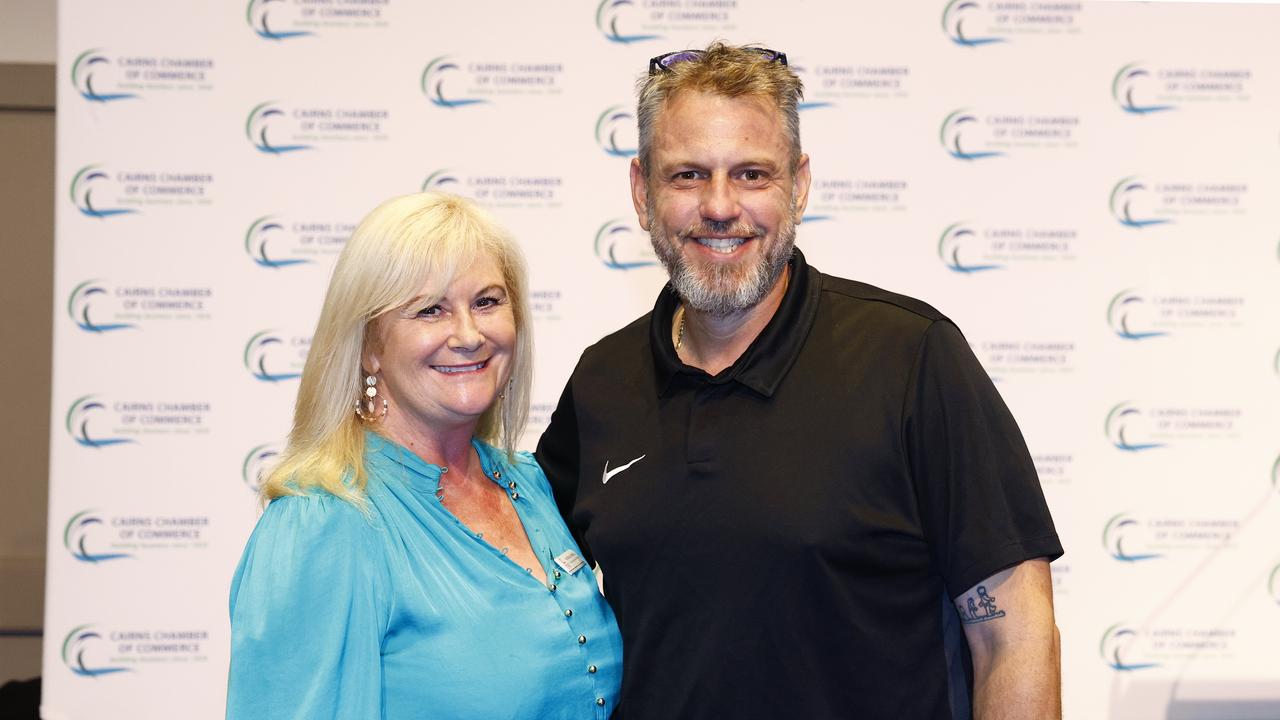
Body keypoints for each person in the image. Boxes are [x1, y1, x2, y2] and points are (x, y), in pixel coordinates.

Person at [536, 43, 1063, 719]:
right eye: (688, 175)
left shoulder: (911, 360)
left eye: (753, 174)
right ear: (642, 193)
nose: (720, 206)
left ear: (800, 186)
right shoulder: (601, 382)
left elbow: (1014, 633)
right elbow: (523, 607)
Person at [226, 192, 622, 719]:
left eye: (486, 301)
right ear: (369, 346)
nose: (468, 334)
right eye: (430, 310)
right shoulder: (327, 522)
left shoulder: (530, 485)